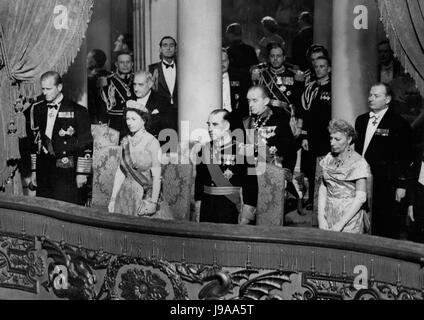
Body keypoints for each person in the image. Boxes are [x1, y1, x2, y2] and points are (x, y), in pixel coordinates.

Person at [355, 83, 413, 239]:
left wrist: (402, 184)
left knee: (385, 224)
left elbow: (405, 157)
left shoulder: (399, 123)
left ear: (387, 99)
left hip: (388, 181)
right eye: (370, 95)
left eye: (376, 96)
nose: (371, 99)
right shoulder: (361, 120)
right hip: (363, 178)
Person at [29, 71, 93, 205]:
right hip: (44, 167)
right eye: (43, 89)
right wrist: (34, 171)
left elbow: (86, 144)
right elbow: (34, 143)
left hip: (66, 168)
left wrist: (82, 173)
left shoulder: (78, 111)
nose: (45, 92)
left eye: (49, 89)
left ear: (59, 87)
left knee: (65, 207)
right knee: (45, 208)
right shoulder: (37, 109)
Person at [108, 104, 173, 219]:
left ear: (143, 120)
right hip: (125, 196)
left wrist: (153, 203)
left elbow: (157, 177)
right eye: (127, 119)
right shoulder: (125, 141)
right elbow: (121, 171)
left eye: (133, 119)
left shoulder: (153, 142)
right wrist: (113, 199)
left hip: (145, 196)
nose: (129, 122)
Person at [194, 109, 258, 225]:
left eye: (215, 124)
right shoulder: (204, 150)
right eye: (208, 124)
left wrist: (246, 217)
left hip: (230, 208)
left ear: (227, 125)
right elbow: (199, 183)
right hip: (206, 209)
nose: (210, 129)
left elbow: (251, 186)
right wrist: (198, 210)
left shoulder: (243, 151)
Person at [318, 119, 371, 234]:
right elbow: (323, 188)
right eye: (331, 138)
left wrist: (340, 224)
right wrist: (321, 218)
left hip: (349, 217)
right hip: (329, 212)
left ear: (349, 139)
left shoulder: (359, 162)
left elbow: (361, 198)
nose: (332, 143)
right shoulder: (328, 158)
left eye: (337, 139)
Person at [300, 56, 332, 209]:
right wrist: (304, 135)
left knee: (326, 169)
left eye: (322, 66)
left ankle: (324, 200)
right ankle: (313, 199)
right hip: (312, 136)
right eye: (317, 67)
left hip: (327, 137)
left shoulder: (333, 88)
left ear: (329, 69)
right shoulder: (310, 88)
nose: (319, 69)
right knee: (312, 169)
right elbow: (305, 114)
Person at [125, 71, 171, 141]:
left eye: (140, 85)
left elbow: (168, 132)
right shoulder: (128, 101)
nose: (136, 89)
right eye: (134, 84)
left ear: (150, 84)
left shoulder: (162, 102)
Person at [99, 51, 134, 139]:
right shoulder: (107, 81)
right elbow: (102, 108)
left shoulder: (137, 79)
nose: (125, 65)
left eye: (128, 62)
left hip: (134, 124)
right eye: (122, 62)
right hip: (115, 125)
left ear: (132, 64)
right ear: (116, 64)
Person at [149, 36, 178, 132]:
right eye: (165, 45)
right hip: (161, 114)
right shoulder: (152, 69)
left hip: (180, 111)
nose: (168, 48)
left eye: (171, 45)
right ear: (160, 49)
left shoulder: (183, 67)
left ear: (175, 49)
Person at [222, 49, 251, 129]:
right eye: (219, 61)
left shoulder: (239, 77)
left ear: (228, 61)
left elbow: (245, 100)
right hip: (216, 119)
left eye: (224, 60)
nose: (222, 64)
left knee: (238, 141)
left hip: (234, 119)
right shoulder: (207, 80)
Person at [87, 49, 111, 124]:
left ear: (93, 62)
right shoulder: (111, 77)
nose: (86, 61)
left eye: (87, 58)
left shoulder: (88, 80)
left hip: (95, 119)